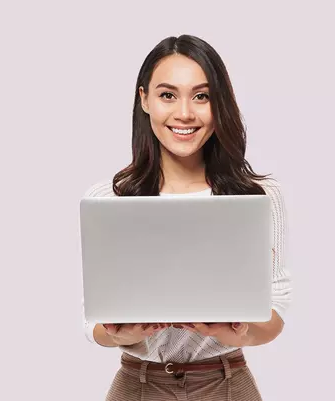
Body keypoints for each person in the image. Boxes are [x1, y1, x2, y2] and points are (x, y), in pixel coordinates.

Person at [81, 34, 292, 401]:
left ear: (219, 103)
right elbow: (93, 323)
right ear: (144, 99)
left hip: (226, 383)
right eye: (167, 95)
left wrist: (238, 333)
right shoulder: (110, 199)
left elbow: (276, 311)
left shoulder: (256, 197)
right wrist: (120, 334)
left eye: (201, 96)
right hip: (138, 385)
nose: (184, 114)